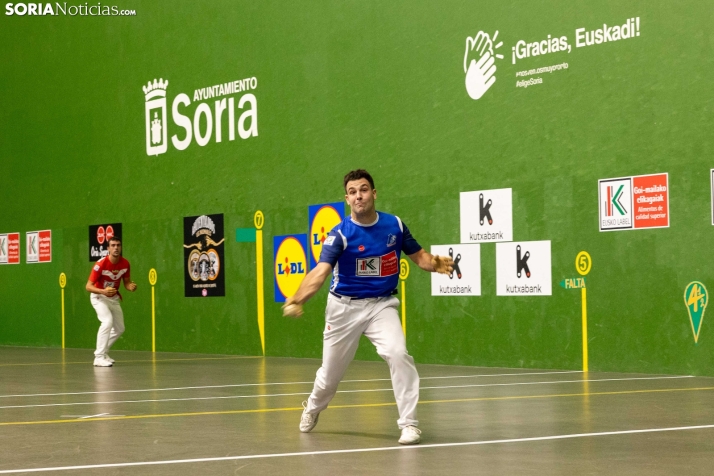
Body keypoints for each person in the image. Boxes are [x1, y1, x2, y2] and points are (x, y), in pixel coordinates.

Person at [282, 169, 453, 445]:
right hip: (344, 309)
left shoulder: (394, 225)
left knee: (398, 353)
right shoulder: (340, 234)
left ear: (374, 193)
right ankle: (312, 407)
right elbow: (321, 272)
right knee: (329, 377)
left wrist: (434, 263)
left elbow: (419, 256)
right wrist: (297, 298)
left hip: (381, 305)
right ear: (347, 199)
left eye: (363, 189)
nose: (358, 196)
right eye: (352, 192)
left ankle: (409, 424)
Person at [85, 236, 137, 367]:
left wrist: (130, 286)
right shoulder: (100, 264)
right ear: (108, 248)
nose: (116, 248)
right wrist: (103, 291)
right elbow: (88, 286)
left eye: (118, 245)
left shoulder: (125, 264)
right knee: (107, 321)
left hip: (113, 298)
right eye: (113, 245)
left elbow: (126, 282)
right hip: (99, 297)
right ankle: (98, 357)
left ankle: (104, 351)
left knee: (120, 328)